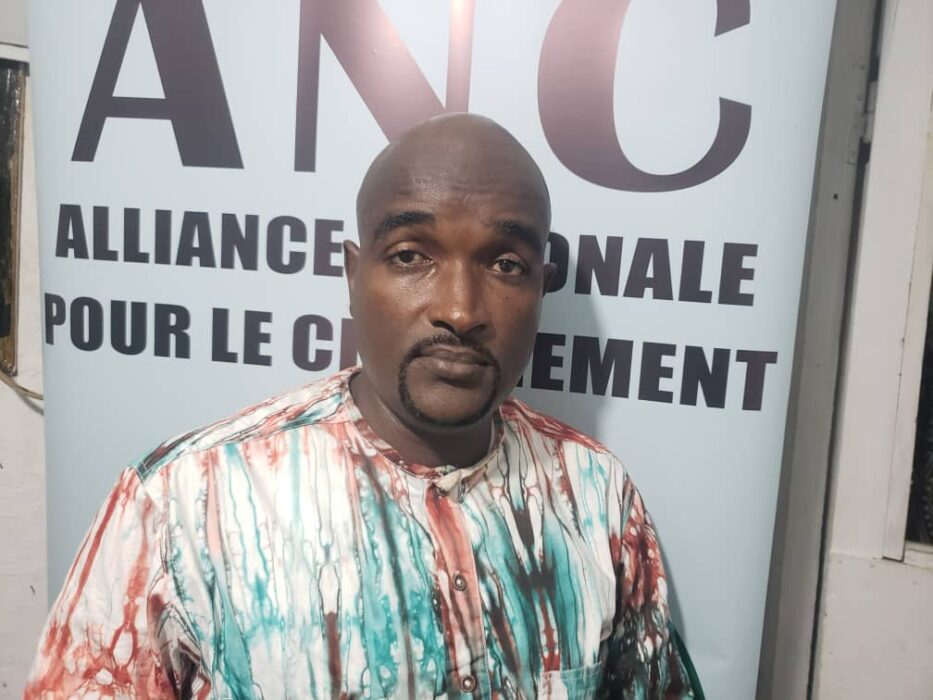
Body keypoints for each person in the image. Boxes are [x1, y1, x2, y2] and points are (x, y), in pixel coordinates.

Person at [26, 114, 701, 699]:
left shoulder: (595, 492)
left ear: (540, 290)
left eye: (505, 265)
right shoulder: (181, 503)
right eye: (410, 256)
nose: (460, 310)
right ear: (353, 276)